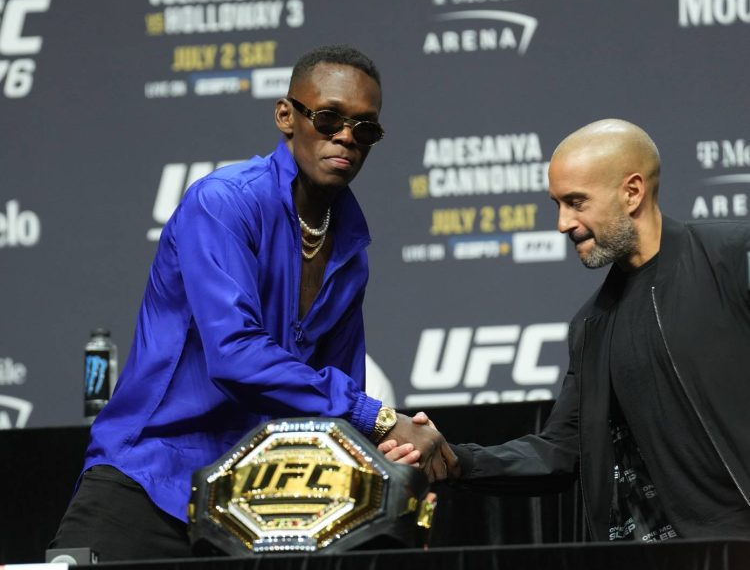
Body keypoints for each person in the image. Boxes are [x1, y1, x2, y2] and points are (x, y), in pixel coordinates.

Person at [50, 44, 453, 562]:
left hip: (253, 505)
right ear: (286, 115)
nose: (346, 137)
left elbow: (334, 403)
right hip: (149, 485)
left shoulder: (351, 247)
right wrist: (379, 418)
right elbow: (235, 354)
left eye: (365, 128)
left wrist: (396, 452)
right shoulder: (223, 202)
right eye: (329, 118)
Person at [385, 119, 750, 541]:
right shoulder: (591, 325)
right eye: (557, 204)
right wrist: (457, 461)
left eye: (576, 202)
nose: (563, 223)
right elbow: (560, 452)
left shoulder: (732, 258)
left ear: (632, 192)